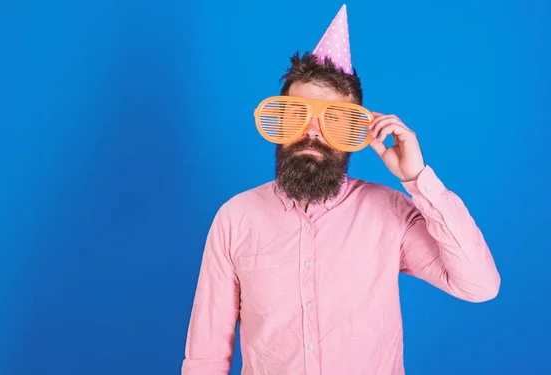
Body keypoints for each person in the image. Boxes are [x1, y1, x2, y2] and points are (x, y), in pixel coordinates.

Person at [181, 4, 500, 375]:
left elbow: (479, 286)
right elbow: (206, 354)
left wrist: (417, 179)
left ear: (354, 134)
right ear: (281, 121)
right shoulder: (236, 217)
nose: (312, 132)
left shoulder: (391, 213)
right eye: (298, 115)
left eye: (333, 120)